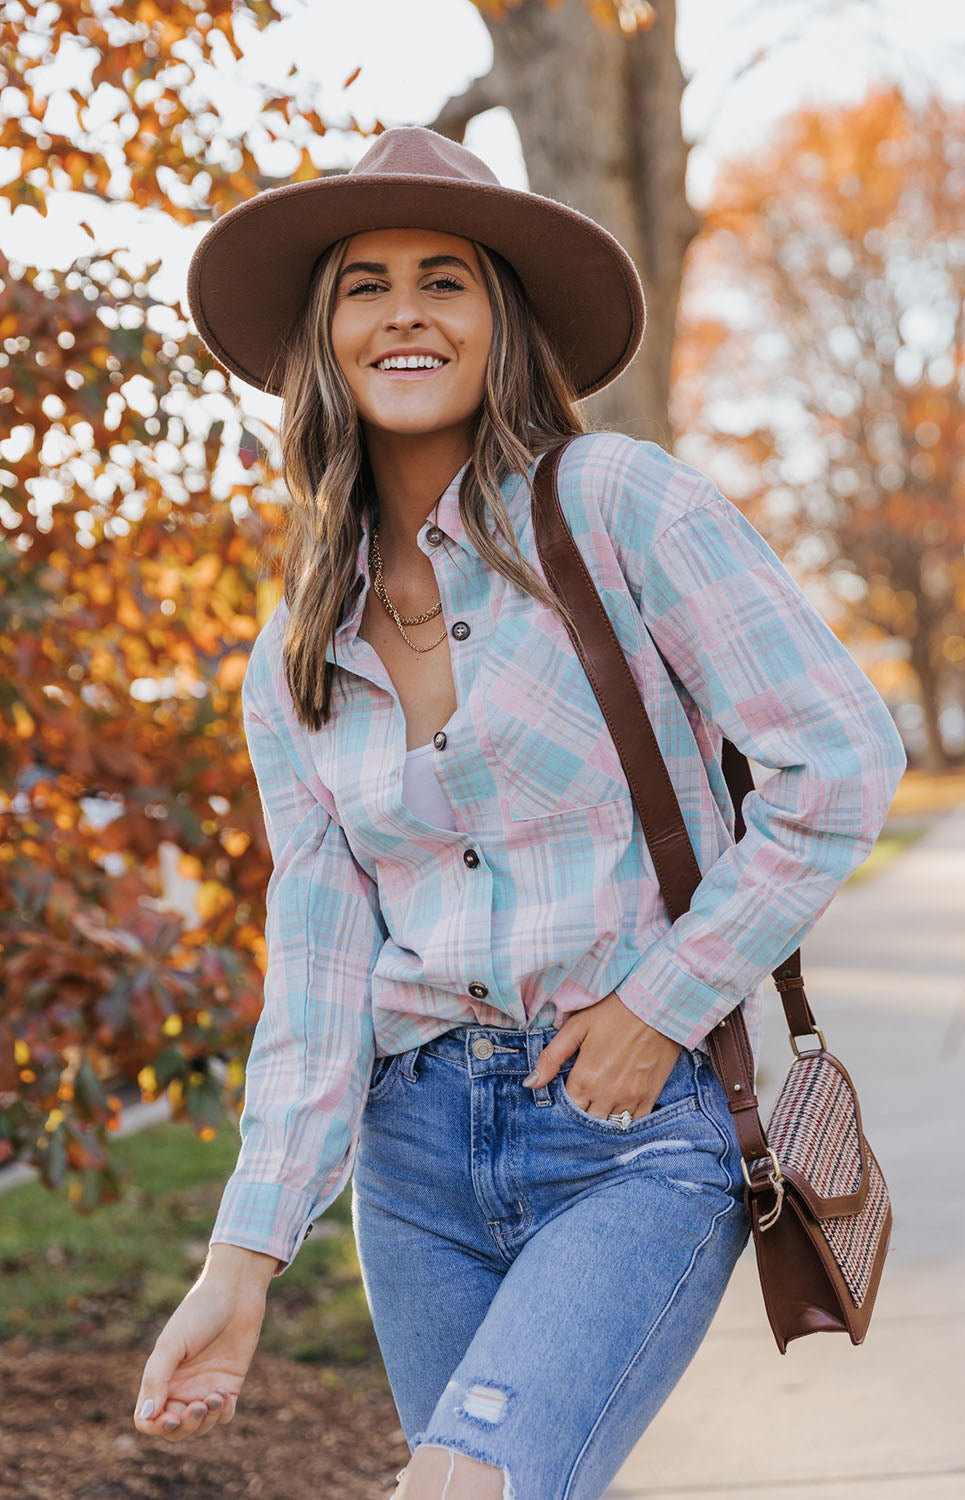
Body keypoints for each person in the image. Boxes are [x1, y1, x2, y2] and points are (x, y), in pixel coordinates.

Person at [133, 127, 907, 1499]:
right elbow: (317, 985)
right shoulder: (296, 647)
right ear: (326, 340)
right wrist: (239, 1266)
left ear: (504, 325)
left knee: (463, 1486)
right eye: (363, 286)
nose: (405, 311)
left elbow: (837, 763)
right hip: (415, 1157)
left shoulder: (616, 508)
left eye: (447, 278)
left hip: (633, 1132)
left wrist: (666, 995)